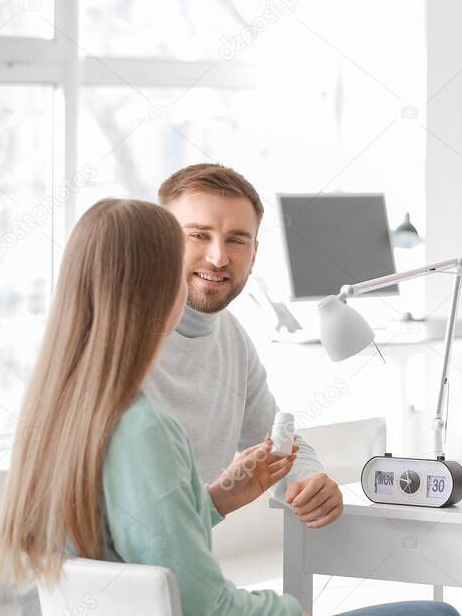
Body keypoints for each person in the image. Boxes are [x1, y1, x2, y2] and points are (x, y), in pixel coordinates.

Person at [0, 199, 458, 616]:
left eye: (238, 239)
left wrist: (217, 499)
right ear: (160, 289)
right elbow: (200, 604)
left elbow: (132, 551)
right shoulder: (142, 427)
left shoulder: (60, 403)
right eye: (189, 249)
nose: (215, 260)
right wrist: (292, 609)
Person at [145, 163, 342, 529]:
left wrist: (308, 482)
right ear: (160, 240)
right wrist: (220, 499)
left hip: (178, 567)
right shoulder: (116, 339)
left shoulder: (233, 339)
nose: (218, 257)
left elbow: (278, 443)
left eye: (236, 239)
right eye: (198, 235)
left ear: (253, 253)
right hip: (96, 576)